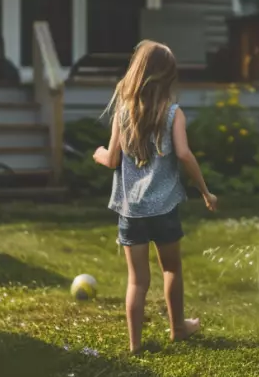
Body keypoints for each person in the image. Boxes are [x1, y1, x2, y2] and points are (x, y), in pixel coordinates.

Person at [93, 41, 218, 352]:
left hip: (131, 212)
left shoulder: (123, 112)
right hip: (163, 209)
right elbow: (185, 155)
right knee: (171, 269)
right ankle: (178, 328)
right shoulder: (173, 114)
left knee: (137, 281)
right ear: (167, 78)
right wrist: (204, 190)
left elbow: (111, 160)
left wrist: (98, 153)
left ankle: (135, 344)